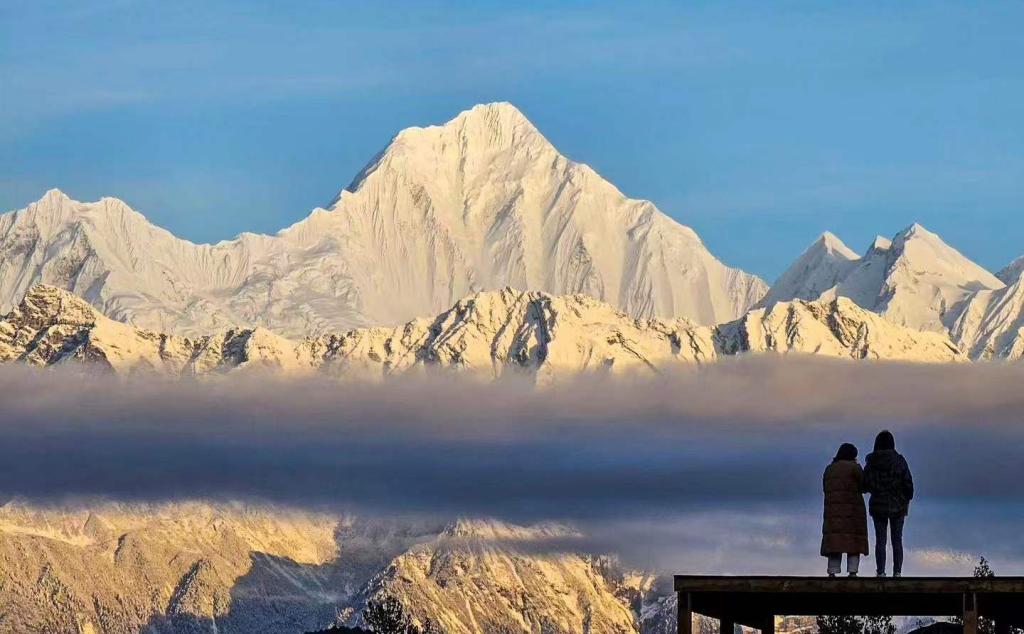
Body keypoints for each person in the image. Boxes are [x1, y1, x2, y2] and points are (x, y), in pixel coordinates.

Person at [863, 430, 914, 577]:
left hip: (878, 505)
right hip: (898, 505)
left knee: (880, 541)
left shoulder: (871, 462)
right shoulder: (900, 461)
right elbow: (908, 484)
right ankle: (897, 572)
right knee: (897, 540)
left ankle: (880, 572)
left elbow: (864, 485)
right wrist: (906, 498)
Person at [821, 442, 869, 577]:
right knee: (854, 543)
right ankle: (852, 572)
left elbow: (826, 489)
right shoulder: (855, 469)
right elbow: (864, 486)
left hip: (833, 512)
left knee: (835, 543)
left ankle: (832, 571)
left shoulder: (829, 469)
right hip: (853, 512)